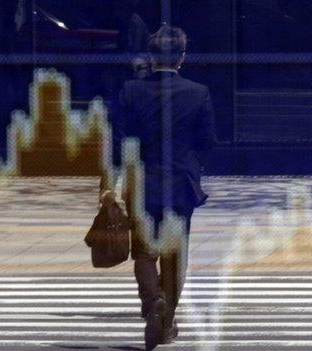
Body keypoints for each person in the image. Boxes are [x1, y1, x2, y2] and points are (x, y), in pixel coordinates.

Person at [112, 25, 216, 350]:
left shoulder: (131, 91)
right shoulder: (198, 93)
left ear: (151, 57)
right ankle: (166, 322)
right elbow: (208, 141)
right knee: (175, 257)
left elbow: (120, 141)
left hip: (142, 182)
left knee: (144, 253)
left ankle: (152, 300)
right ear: (182, 57)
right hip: (180, 184)